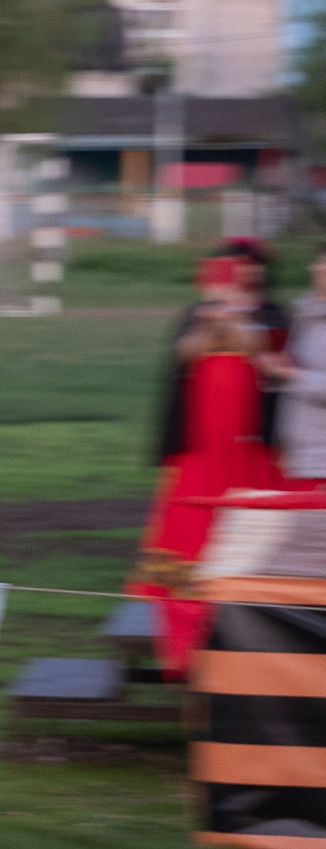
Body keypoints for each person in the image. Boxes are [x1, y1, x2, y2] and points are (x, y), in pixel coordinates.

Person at [133, 245, 287, 596]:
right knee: (192, 496)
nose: (243, 274)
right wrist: (208, 322)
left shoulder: (272, 313)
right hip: (202, 428)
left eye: (249, 267)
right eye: (234, 267)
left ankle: (246, 575)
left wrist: (234, 316)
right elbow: (184, 354)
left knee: (248, 497)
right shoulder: (198, 312)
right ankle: (183, 576)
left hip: (250, 432)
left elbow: (257, 348)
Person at [265, 249, 326, 483]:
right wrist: (280, 368)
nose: (314, 268)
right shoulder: (307, 312)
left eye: (323, 263)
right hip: (300, 454)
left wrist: (291, 375)